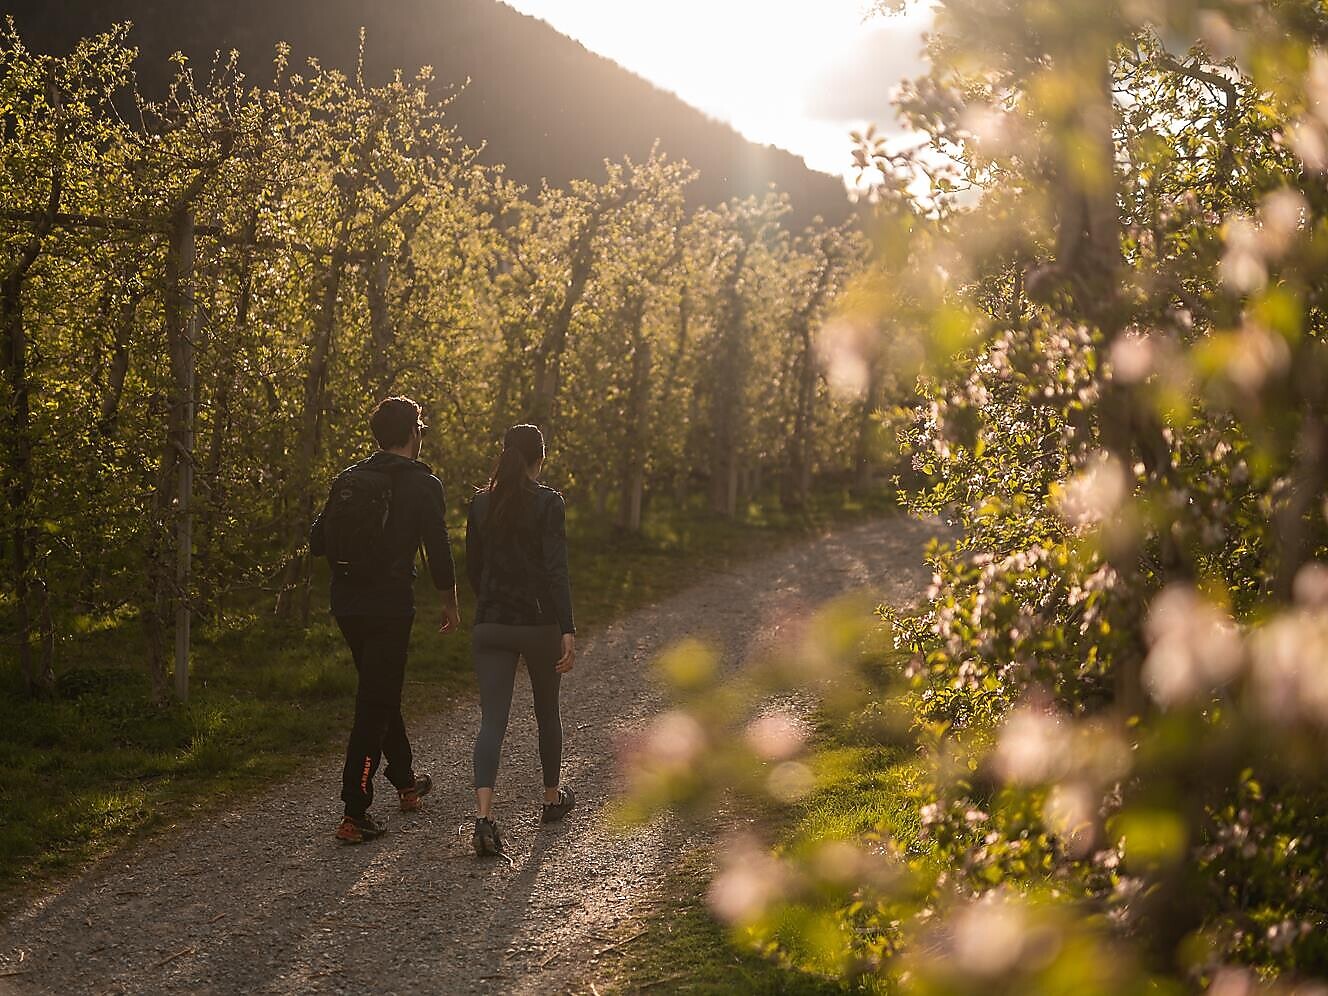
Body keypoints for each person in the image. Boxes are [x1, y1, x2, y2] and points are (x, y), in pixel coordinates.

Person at [310, 396, 461, 844]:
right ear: (414, 432)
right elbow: (439, 550)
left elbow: (318, 539)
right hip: (389, 606)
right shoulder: (423, 484)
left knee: (380, 691)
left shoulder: (349, 478)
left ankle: (406, 782)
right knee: (375, 703)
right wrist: (450, 603)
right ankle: (354, 812)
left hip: (347, 604)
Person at [466, 423, 576, 856]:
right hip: (539, 624)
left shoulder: (479, 503)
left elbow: (473, 567)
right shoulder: (549, 503)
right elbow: (556, 570)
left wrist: (491, 604)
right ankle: (551, 799)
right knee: (547, 711)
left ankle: (483, 817)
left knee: (492, 720)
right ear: (540, 459)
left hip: (490, 623)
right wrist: (566, 626)